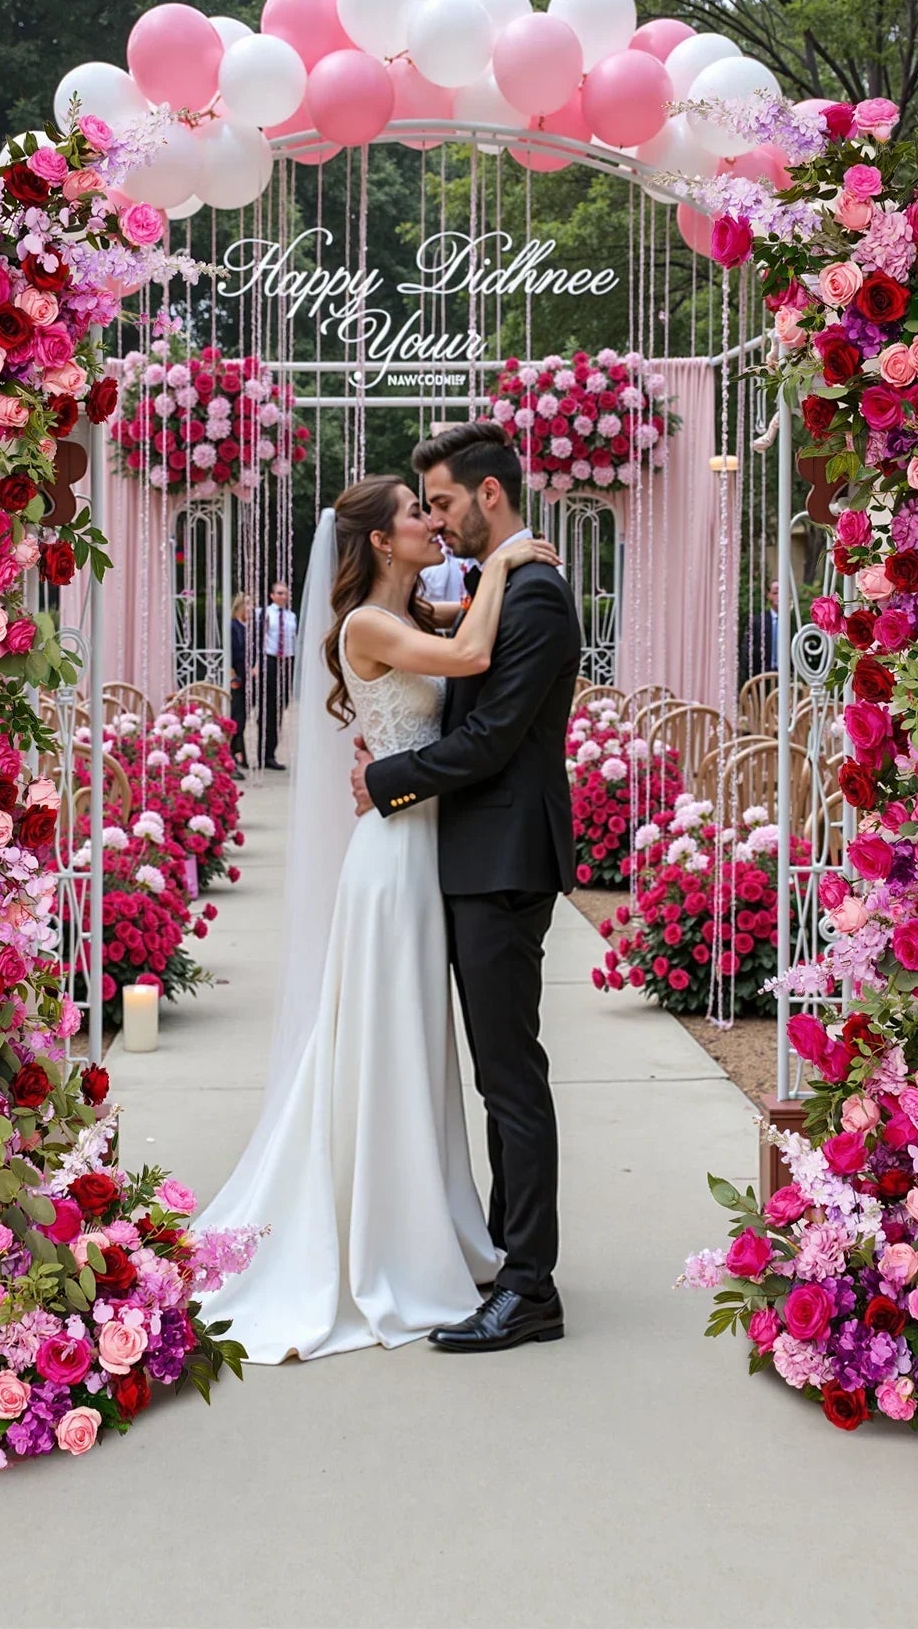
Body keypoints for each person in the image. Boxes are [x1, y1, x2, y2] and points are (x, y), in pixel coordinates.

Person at [194, 468, 560, 1362]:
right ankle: (382, 1240)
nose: (431, 522)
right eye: (414, 513)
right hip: (394, 859)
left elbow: (462, 642)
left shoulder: (416, 615)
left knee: (418, 1043)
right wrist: (503, 565)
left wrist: (492, 578)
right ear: (379, 541)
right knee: (387, 1039)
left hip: (429, 851)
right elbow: (471, 660)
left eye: (436, 507)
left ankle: (427, 1227)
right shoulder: (366, 623)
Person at [357, 420, 583, 1354]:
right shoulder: (503, 585)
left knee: (510, 1076)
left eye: (444, 501)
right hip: (474, 858)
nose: (439, 520)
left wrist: (386, 779)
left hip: (503, 863)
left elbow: (490, 741)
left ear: (491, 494)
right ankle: (501, 1252)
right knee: (496, 1073)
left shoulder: (535, 594)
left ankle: (530, 1288)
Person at [260, 580, 297, 771]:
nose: (283, 596)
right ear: (272, 595)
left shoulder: (291, 616)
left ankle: (271, 752)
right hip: (271, 660)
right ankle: (261, 752)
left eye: (285, 593)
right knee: (268, 708)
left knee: (280, 708)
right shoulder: (265, 614)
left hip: (287, 661)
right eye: (280, 593)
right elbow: (260, 639)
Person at [228, 592, 253, 779]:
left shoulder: (246, 628)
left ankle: (240, 752)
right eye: (249, 605)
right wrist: (233, 676)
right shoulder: (233, 627)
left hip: (247, 676)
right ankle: (232, 754)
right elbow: (231, 652)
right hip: (237, 677)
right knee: (237, 717)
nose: (251, 609)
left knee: (242, 717)